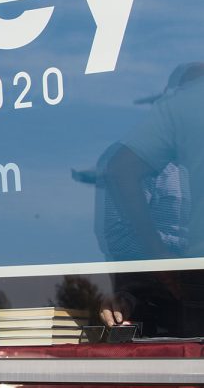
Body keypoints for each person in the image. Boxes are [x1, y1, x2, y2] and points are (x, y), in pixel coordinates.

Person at [97, 63, 204, 336]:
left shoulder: (191, 162)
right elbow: (121, 238)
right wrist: (161, 260)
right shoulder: (141, 162)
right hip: (161, 294)